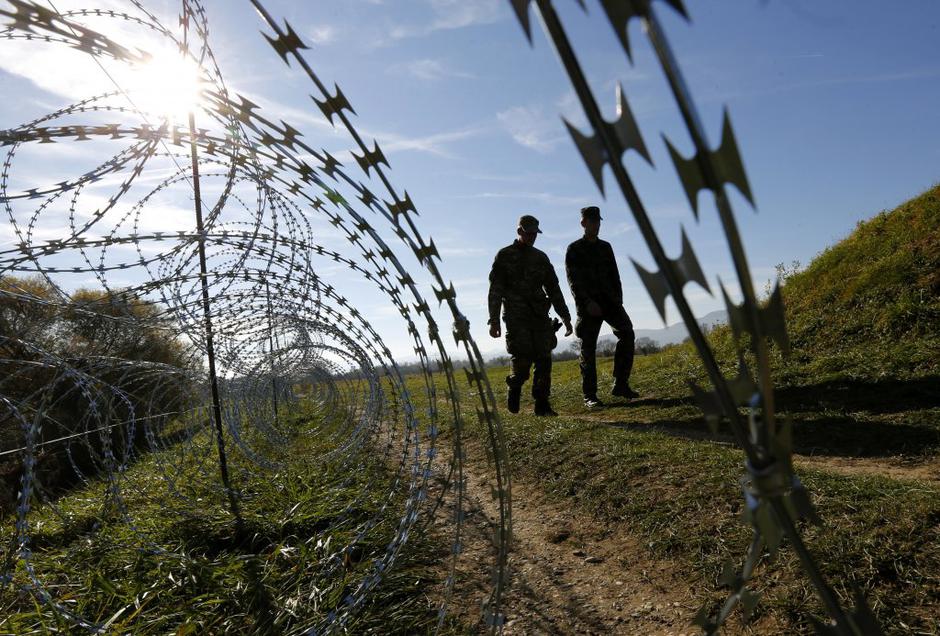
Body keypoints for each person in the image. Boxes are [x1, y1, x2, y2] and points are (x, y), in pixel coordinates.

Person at [488, 214, 573, 416]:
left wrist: (565, 316)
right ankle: (515, 385)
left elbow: (554, 289)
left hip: (539, 315)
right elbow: (495, 291)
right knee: (523, 359)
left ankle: (542, 404)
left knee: (544, 359)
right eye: (528, 233)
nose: (532, 237)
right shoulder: (504, 256)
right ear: (519, 232)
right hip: (516, 318)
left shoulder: (541, 258)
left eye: (535, 234)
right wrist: (494, 320)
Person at [565, 206, 640, 408]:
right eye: (592, 221)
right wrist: (588, 303)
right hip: (589, 307)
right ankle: (590, 395)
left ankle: (621, 384)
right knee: (588, 348)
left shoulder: (605, 247)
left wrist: (618, 300)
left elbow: (615, 275)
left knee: (627, 333)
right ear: (583, 223)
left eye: (598, 221)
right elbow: (573, 282)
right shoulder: (574, 249)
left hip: (610, 302)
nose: (596, 225)